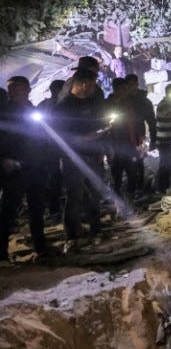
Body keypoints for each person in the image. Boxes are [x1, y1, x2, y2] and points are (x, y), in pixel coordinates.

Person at [55, 69, 109, 251]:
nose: (95, 88)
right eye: (93, 85)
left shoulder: (92, 104)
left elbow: (97, 126)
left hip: (93, 156)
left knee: (94, 196)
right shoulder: (63, 107)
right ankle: (71, 236)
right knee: (74, 198)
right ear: (84, 84)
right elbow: (59, 137)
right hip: (72, 159)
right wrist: (84, 139)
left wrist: (101, 144)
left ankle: (96, 231)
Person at [0, 76, 48, 264]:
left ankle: (41, 248)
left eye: (18, 89)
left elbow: (44, 139)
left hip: (36, 167)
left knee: (37, 210)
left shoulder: (35, 113)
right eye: (11, 89)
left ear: (28, 89)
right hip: (14, 169)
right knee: (9, 211)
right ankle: (1, 253)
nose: (15, 93)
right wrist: (3, 159)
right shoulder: (4, 114)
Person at [105, 78, 138, 200]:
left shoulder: (128, 103)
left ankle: (131, 197)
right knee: (116, 172)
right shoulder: (107, 104)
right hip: (115, 143)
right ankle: (117, 198)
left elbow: (133, 122)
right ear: (116, 89)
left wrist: (137, 139)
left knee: (132, 171)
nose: (126, 91)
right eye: (124, 89)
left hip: (129, 142)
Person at [38, 79, 66, 220]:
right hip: (50, 147)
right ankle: (55, 209)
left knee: (70, 177)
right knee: (54, 178)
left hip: (66, 145)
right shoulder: (44, 106)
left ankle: (69, 208)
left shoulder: (69, 104)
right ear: (56, 90)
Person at [125, 74, 156, 193]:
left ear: (137, 84)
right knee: (127, 163)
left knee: (138, 162)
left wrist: (153, 140)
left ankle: (138, 188)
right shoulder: (122, 99)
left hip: (138, 137)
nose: (131, 88)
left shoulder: (143, 101)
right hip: (123, 137)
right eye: (129, 85)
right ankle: (130, 189)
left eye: (133, 85)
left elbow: (152, 121)